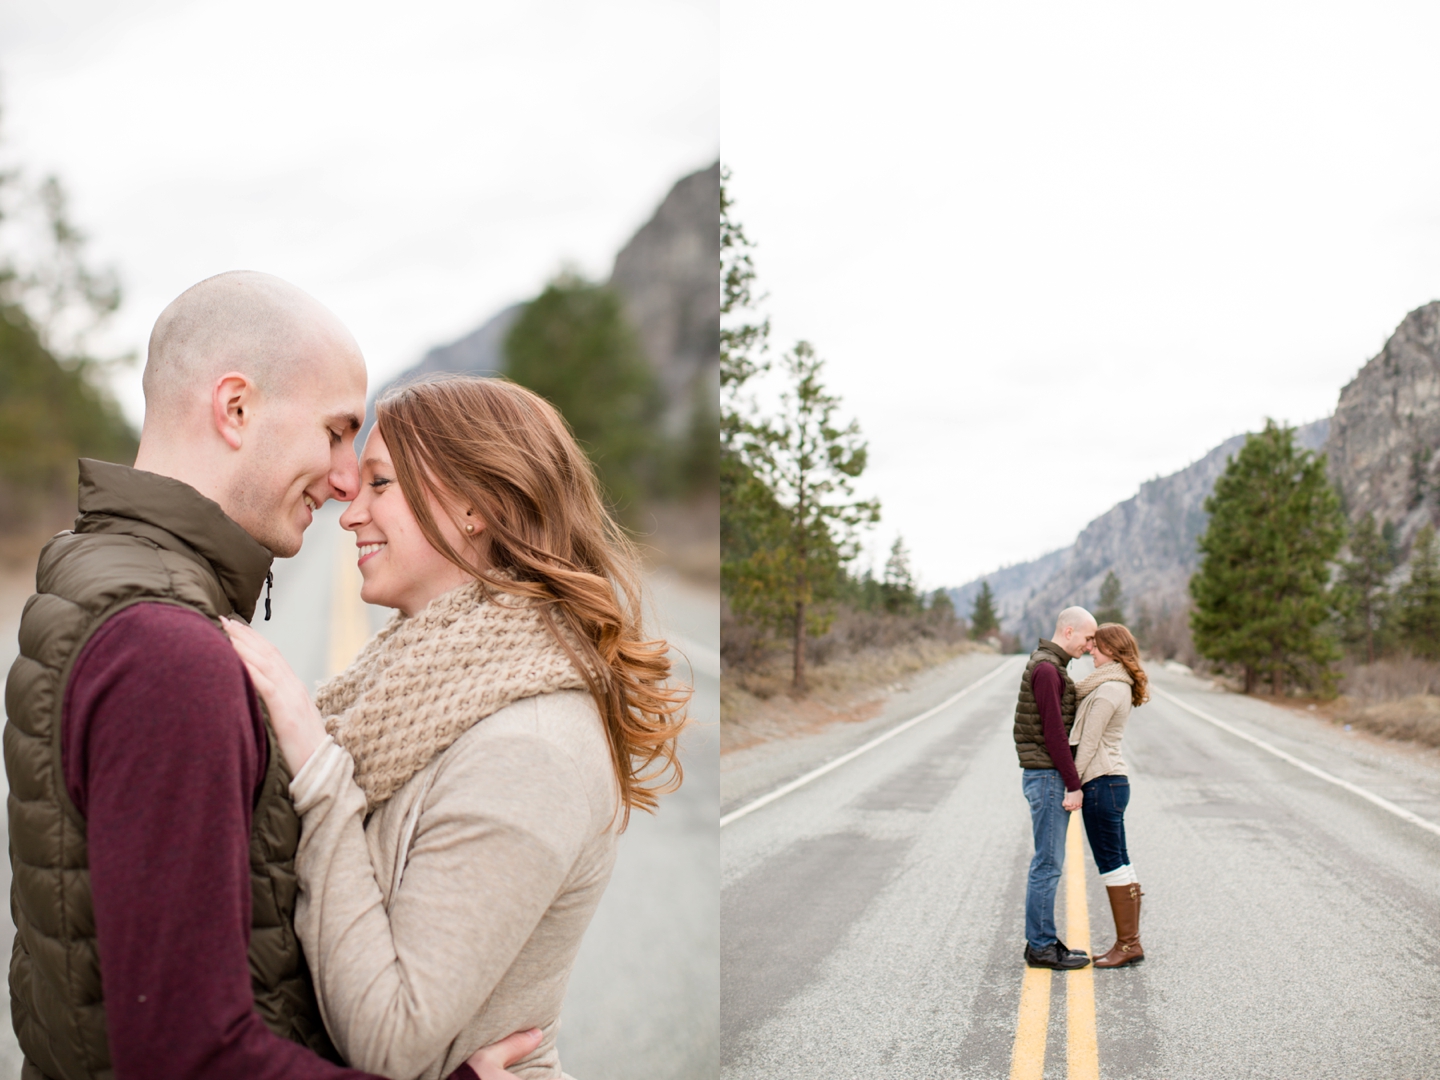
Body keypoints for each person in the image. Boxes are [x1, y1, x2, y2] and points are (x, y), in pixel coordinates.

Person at [4, 271, 533, 1080]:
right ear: (236, 408)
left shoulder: (97, 568)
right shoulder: (167, 651)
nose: (347, 478)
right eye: (334, 431)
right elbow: (190, 1058)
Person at [223, 375, 688, 1079]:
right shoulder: (416, 681)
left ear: (476, 508)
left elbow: (391, 1038)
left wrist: (317, 767)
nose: (349, 513)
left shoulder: (530, 748)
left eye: (381, 483)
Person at [1013, 606, 1097, 970]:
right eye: (1087, 637)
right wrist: (1073, 783)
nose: (1090, 645)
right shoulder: (1047, 670)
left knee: (1048, 862)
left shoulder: (1052, 665)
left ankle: (1044, 941)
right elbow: (1054, 733)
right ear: (1068, 631)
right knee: (1047, 864)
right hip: (1047, 776)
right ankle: (1042, 947)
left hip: (1046, 775)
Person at [1069, 622, 1149, 968]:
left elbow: (1088, 743)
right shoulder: (1109, 684)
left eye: (1097, 646)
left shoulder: (1108, 690)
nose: (1091, 650)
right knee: (1120, 860)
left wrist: (1073, 783)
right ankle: (1128, 943)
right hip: (1111, 782)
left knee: (1111, 863)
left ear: (1113, 651)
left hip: (1101, 782)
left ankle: (1128, 944)